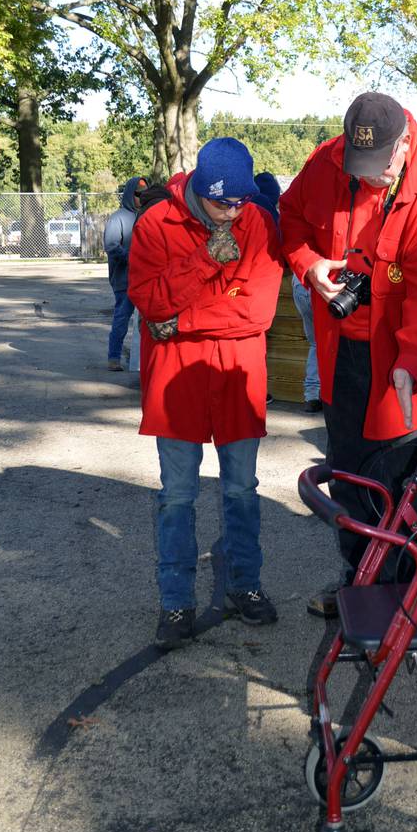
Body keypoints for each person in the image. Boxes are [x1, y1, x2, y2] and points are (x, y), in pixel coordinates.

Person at [281, 92, 417, 617]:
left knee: (406, 479)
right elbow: (290, 218)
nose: (369, 176)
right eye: (358, 166)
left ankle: (408, 596)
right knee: (349, 470)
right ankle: (359, 585)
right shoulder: (328, 160)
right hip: (343, 353)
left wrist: (409, 366)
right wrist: (309, 263)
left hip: (406, 358)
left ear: (405, 142)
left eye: (380, 164)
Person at [128, 138, 283, 650]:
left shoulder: (258, 224)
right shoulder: (156, 224)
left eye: (240, 202)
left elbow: (256, 314)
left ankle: (245, 585)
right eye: (222, 203)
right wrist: (204, 262)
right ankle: (176, 603)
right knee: (177, 497)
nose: (232, 213)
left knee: (242, 489)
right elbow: (149, 302)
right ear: (198, 186)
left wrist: (182, 319)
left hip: (237, 377)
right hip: (179, 382)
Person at [103, 176, 148, 370]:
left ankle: (142, 360)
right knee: (122, 317)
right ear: (131, 194)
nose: (142, 197)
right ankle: (114, 358)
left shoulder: (147, 215)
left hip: (144, 279)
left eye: (145, 194)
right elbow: (111, 246)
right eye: (139, 194)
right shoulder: (118, 218)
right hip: (124, 280)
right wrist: (132, 258)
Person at [291, 273, 322, 411]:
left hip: (301, 282)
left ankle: (312, 396)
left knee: (316, 343)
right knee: (335, 343)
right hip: (325, 281)